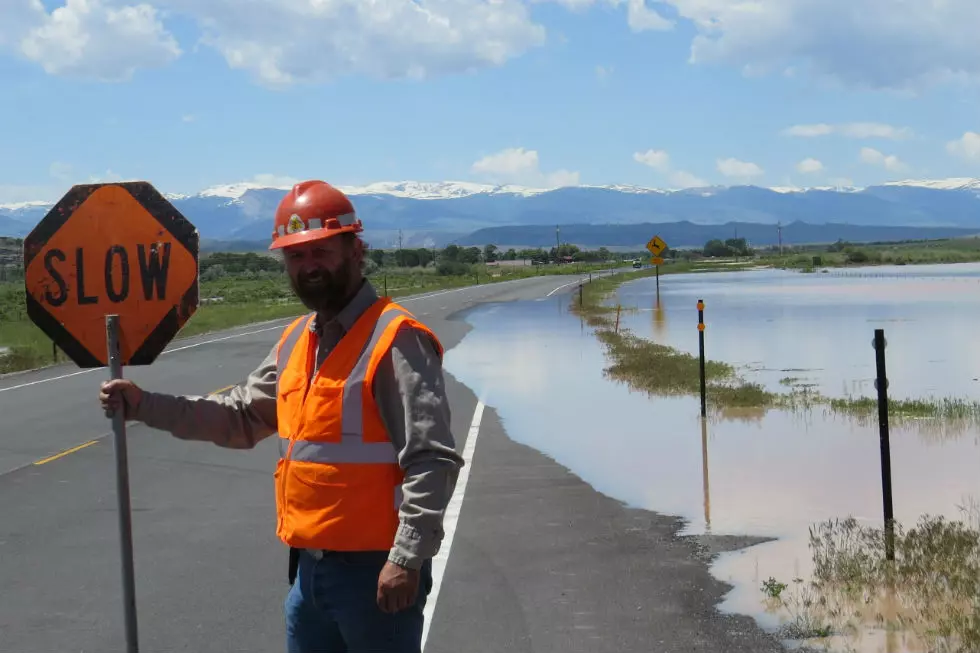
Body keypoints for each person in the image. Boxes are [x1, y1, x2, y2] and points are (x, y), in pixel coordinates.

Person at [99, 180, 465, 653]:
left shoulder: (396, 339)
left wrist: (408, 557)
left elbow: (431, 459)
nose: (308, 266)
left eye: (321, 252)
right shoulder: (296, 339)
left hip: (376, 573)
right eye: (295, 257)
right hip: (309, 573)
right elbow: (239, 417)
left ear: (355, 250)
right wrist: (144, 405)